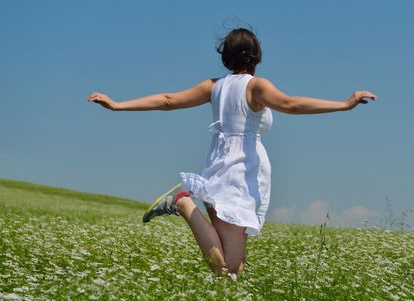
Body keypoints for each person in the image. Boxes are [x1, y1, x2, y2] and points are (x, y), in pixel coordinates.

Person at [87, 27, 377, 277]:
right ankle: (182, 203)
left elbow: (167, 100)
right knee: (226, 268)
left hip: (219, 165)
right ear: (256, 55)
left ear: (226, 56)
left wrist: (117, 104)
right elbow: (290, 104)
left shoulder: (213, 86)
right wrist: (344, 104)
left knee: (234, 271)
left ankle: (185, 206)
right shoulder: (256, 86)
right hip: (239, 173)